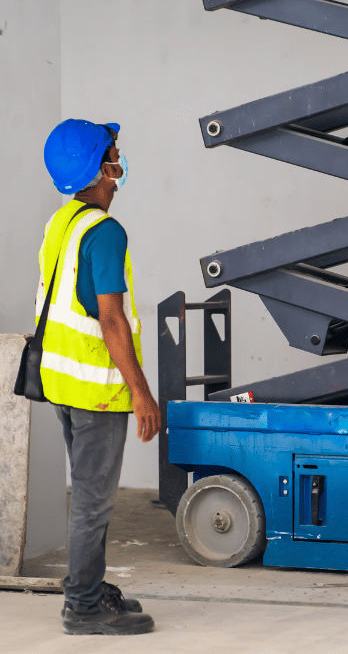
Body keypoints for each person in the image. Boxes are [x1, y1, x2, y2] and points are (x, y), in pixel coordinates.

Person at [39, 119, 160, 636]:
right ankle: (84, 607)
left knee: (90, 496)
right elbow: (110, 319)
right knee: (93, 501)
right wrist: (141, 394)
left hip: (63, 384)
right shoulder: (105, 232)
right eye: (113, 152)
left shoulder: (63, 222)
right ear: (99, 168)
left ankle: (88, 587)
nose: (120, 159)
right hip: (97, 392)